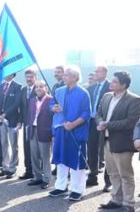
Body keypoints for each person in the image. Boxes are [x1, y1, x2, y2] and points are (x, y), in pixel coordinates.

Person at [96, 71, 140, 212]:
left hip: (122, 143)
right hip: (106, 140)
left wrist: (107, 124)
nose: (111, 83)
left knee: (125, 175)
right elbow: (98, 113)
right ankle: (116, 200)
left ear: (124, 85)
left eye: (115, 81)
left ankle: (128, 204)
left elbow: (130, 123)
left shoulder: (134, 100)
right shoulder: (106, 96)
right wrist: (100, 122)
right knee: (112, 173)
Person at [49, 66, 90, 201]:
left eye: (67, 75)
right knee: (61, 159)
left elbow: (86, 113)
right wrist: (54, 108)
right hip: (61, 130)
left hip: (76, 132)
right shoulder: (59, 91)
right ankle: (61, 186)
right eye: (64, 75)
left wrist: (73, 124)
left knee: (76, 160)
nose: (64, 77)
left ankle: (77, 189)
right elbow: (51, 105)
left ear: (75, 77)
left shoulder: (83, 93)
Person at [86, 66, 111, 189]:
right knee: (91, 149)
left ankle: (108, 181)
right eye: (95, 71)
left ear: (105, 73)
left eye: (98, 71)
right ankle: (92, 176)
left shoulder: (111, 87)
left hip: (105, 123)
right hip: (91, 122)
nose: (95, 73)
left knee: (107, 151)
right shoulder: (91, 87)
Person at [26, 81, 53, 189]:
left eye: (41, 87)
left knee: (45, 156)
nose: (38, 89)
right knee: (34, 155)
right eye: (36, 87)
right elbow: (29, 115)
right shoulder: (32, 100)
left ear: (45, 87)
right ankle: (37, 177)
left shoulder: (51, 99)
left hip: (44, 131)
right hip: (33, 130)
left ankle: (47, 179)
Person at [19, 69, 37, 180]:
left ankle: (38, 173)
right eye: (27, 77)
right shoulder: (24, 90)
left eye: (30, 76)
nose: (28, 79)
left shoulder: (40, 89)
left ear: (35, 77)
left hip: (37, 125)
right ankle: (28, 171)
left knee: (36, 150)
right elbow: (21, 107)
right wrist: (20, 121)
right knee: (26, 148)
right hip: (26, 124)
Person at [51, 65, 65, 176]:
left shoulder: (67, 86)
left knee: (64, 146)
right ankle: (57, 166)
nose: (57, 74)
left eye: (59, 72)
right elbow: (51, 102)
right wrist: (52, 108)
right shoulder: (55, 86)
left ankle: (65, 168)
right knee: (56, 146)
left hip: (65, 121)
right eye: (56, 72)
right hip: (56, 121)